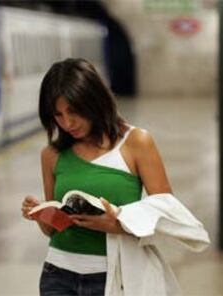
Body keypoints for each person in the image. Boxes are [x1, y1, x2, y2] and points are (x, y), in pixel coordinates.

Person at [21, 58, 175, 296]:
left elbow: (166, 214)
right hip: (58, 274)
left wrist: (118, 225)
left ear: (93, 100)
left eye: (73, 111)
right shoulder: (52, 154)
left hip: (114, 275)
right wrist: (41, 213)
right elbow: (51, 231)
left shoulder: (135, 142)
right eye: (58, 115)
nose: (67, 122)